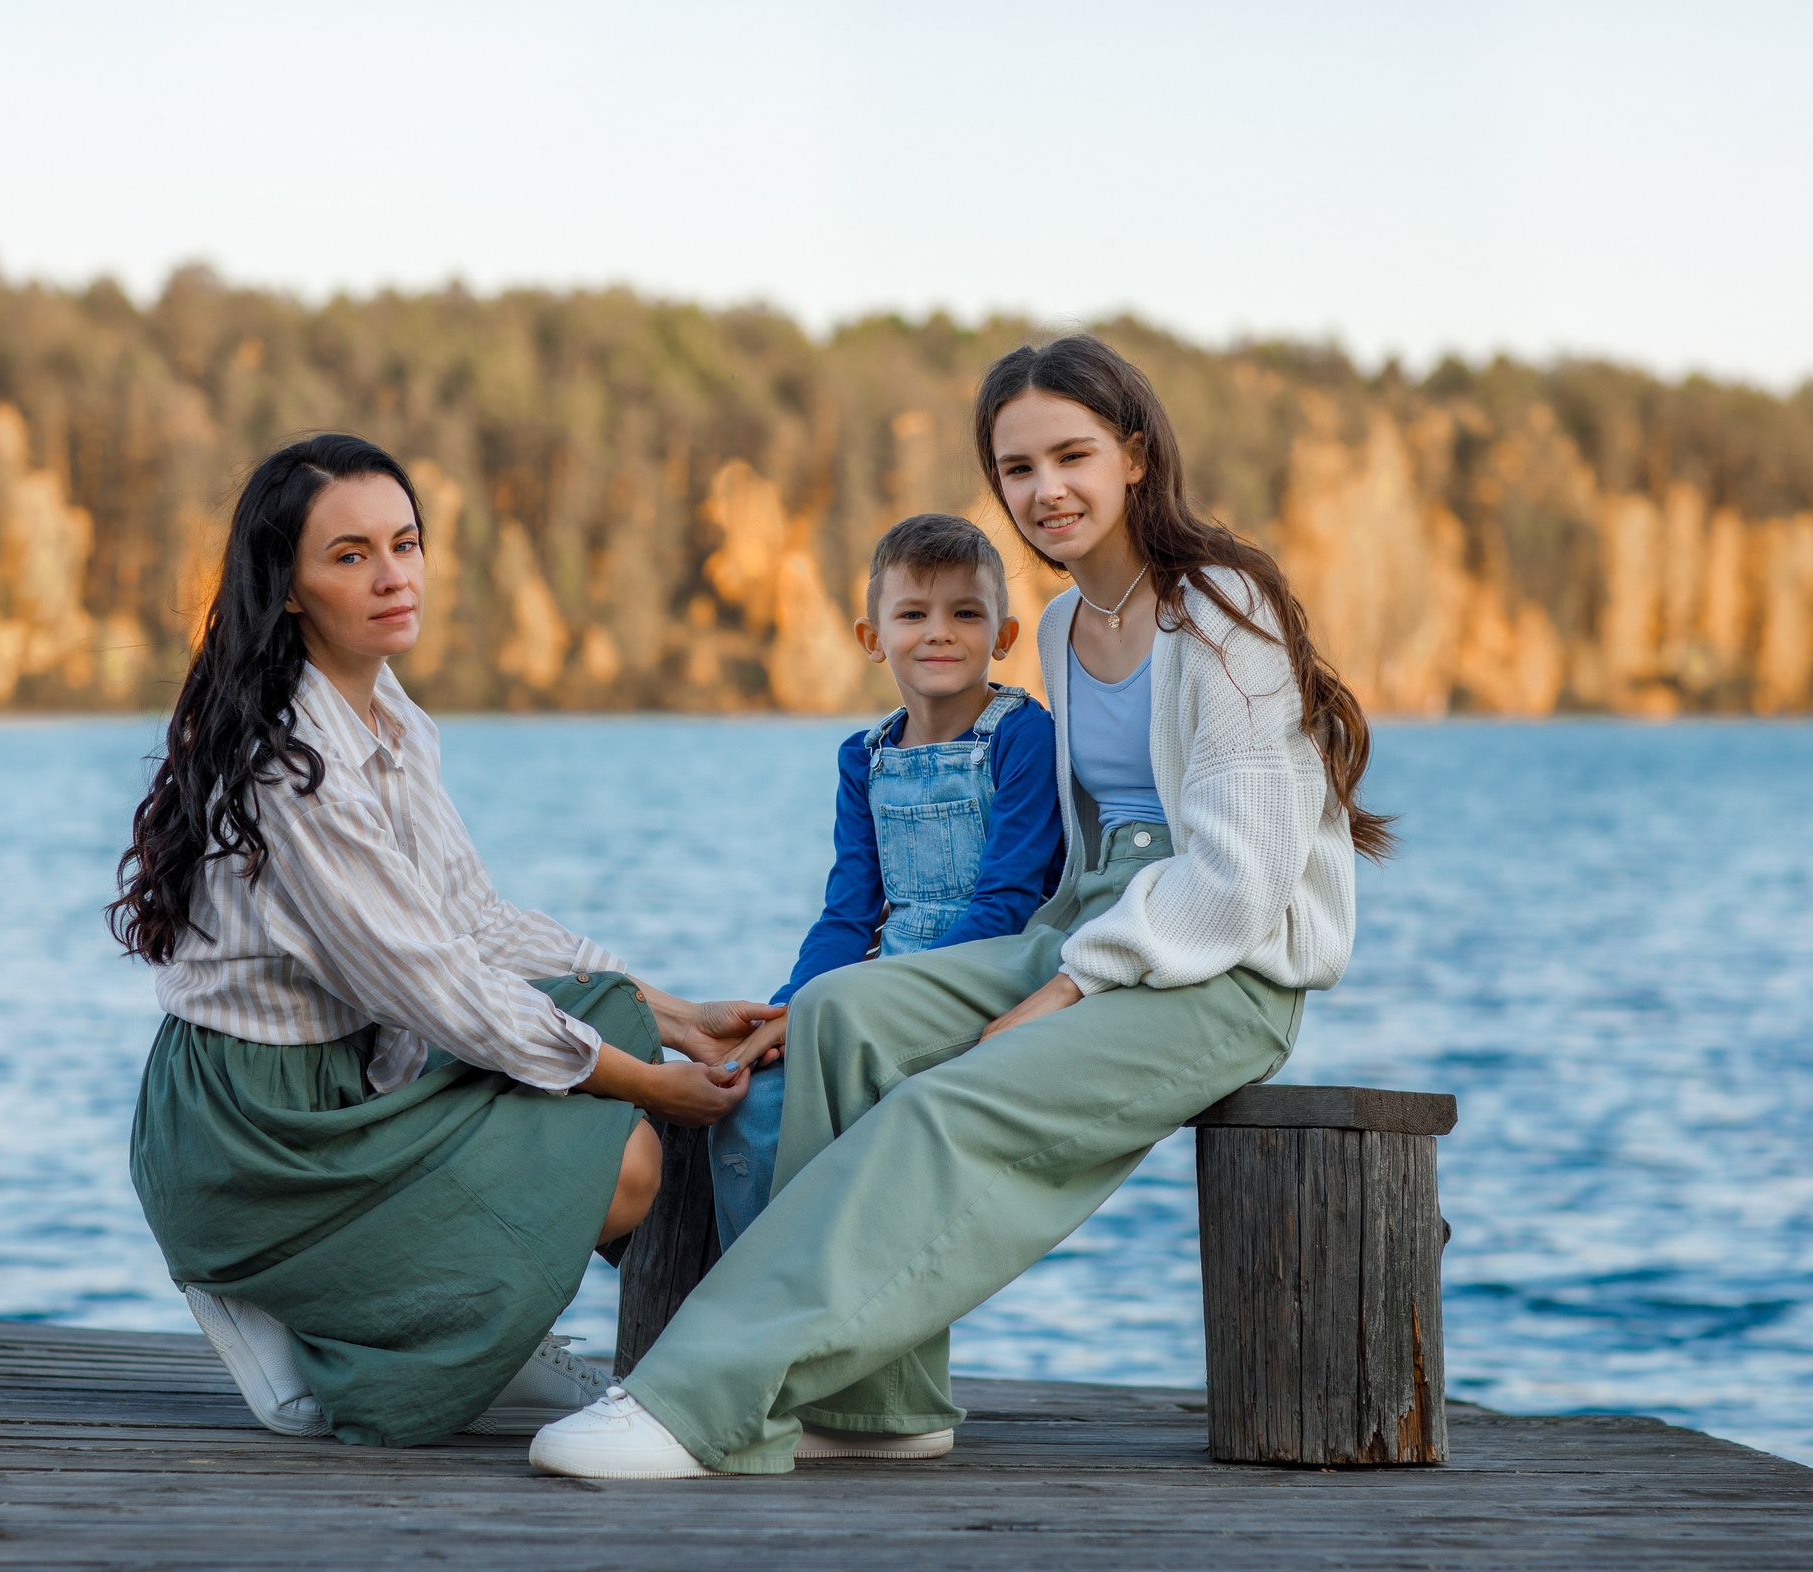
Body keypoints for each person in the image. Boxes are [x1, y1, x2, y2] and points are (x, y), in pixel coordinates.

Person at [533, 334, 1393, 1478]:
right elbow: (1072, 866)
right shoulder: (1056, 632)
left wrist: (1071, 987)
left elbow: (1236, 884)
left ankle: (704, 1399)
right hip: (1088, 924)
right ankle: (875, 1409)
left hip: (1219, 971)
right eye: (1017, 470)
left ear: (1134, 454)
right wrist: (1048, 960)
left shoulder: (1222, 611)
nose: (1045, 492)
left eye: (1071, 456)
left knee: (950, 1105)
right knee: (839, 1015)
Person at [112, 433, 776, 1448]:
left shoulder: (388, 720)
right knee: (629, 1147)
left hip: (347, 1093)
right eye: (349, 555)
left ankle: (458, 1330)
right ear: (288, 588)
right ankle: (286, 1295)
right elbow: (436, 988)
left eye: (406, 544)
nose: (392, 576)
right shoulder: (294, 768)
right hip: (253, 1131)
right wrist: (648, 1079)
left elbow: (473, 923)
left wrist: (676, 1014)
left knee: (618, 1043)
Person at [707, 514, 1063, 1248]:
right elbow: (847, 914)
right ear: (873, 639)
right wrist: (787, 1011)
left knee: (880, 1117)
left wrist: (869, 1000)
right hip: (884, 979)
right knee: (753, 1098)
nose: (940, 632)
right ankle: (761, 1279)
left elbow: (1007, 904)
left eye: (966, 613)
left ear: (1004, 636)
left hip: (986, 972)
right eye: (913, 614)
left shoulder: (1022, 736)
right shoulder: (862, 758)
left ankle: (832, 1275)